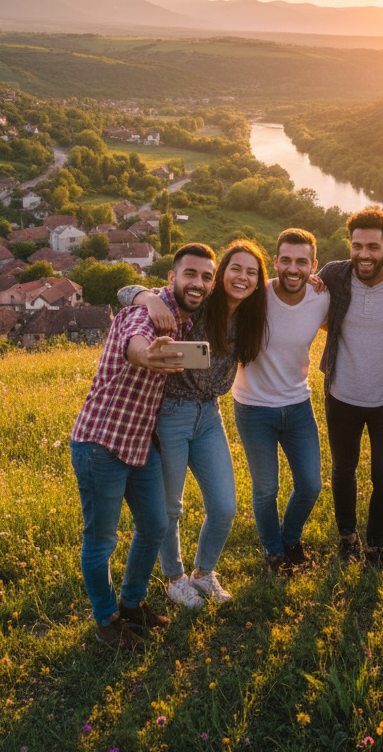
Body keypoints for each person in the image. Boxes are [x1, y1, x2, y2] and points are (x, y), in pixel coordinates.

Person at [68, 249, 208, 649]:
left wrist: (139, 292)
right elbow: (136, 343)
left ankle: (132, 603)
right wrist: (146, 354)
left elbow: (127, 288)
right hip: (101, 443)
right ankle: (106, 621)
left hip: (141, 444)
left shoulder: (181, 314)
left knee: (155, 526)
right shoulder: (148, 313)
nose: (198, 282)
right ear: (172, 276)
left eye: (205, 277)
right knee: (101, 540)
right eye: (190, 274)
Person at [123, 240, 270, 608]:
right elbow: (126, 291)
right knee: (171, 508)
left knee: (224, 506)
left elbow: (295, 285)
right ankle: (174, 578)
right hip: (171, 414)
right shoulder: (199, 304)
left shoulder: (253, 314)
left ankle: (204, 573)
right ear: (220, 275)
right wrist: (148, 297)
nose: (243, 277)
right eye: (235, 268)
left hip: (210, 416)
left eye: (251, 272)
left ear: (258, 281)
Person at [316, 208, 383, 570]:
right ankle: (348, 538)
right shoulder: (333, 274)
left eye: (373, 247)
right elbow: (296, 292)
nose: (364, 254)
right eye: (357, 245)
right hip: (341, 395)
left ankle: (376, 548)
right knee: (343, 470)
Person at [231, 228, 330, 575]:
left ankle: (290, 540)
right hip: (254, 408)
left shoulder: (322, 298)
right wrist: (144, 297)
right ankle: (274, 554)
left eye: (302, 262)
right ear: (274, 262)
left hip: (298, 406)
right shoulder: (254, 294)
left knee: (311, 485)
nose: (293, 268)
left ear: (313, 265)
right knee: (266, 488)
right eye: (285, 260)